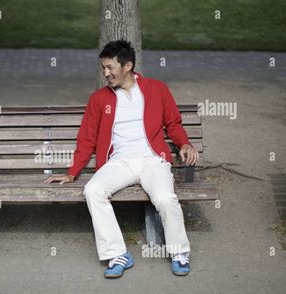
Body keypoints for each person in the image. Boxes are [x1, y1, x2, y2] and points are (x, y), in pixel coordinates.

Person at [45, 40, 199, 278]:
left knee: (165, 198)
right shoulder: (99, 99)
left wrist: (184, 144)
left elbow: (173, 124)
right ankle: (118, 254)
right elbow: (86, 138)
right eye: (103, 68)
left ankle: (179, 252)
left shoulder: (156, 89)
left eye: (110, 68)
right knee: (93, 190)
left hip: (153, 160)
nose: (106, 73)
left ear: (127, 66)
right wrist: (72, 172)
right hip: (119, 163)